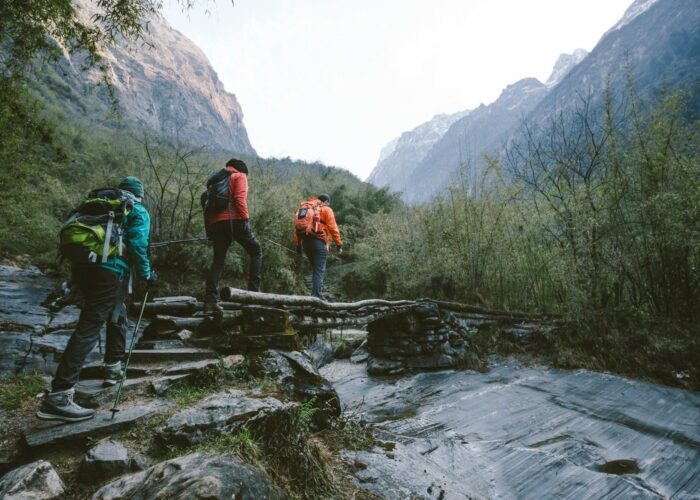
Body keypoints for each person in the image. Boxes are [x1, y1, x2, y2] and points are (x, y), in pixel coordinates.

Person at [36, 176, 157, 422]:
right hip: (109, 271)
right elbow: (137, 243)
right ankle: (59, 396)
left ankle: (112, 367)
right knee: (90, 325)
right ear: (139, 194)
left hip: (86, 267)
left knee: (117, 312)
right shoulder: (137, 209)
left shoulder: (100, 204)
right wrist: (146, 274)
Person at [204, 158, 262, 314]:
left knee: (218, 260)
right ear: (241, 170)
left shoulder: (215, 181)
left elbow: (207, 208)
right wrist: (245, 219)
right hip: (235, 220)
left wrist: (209, 230)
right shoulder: (239, 176)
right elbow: (239, 199)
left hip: (216, 224)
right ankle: (253, 295)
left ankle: (210, 300)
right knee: (256, 251)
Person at [293, 194, 342, 298]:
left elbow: (297, 228)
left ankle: (316, 294)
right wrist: (339, 244)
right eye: (329, 203)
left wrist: (298, 246)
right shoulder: (326, 209)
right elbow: (333, 227)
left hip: (305, 243)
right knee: (319, 270)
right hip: (319, 242)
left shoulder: (304, 208)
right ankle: (316, 297)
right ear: (326, 202)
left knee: (316, 269)